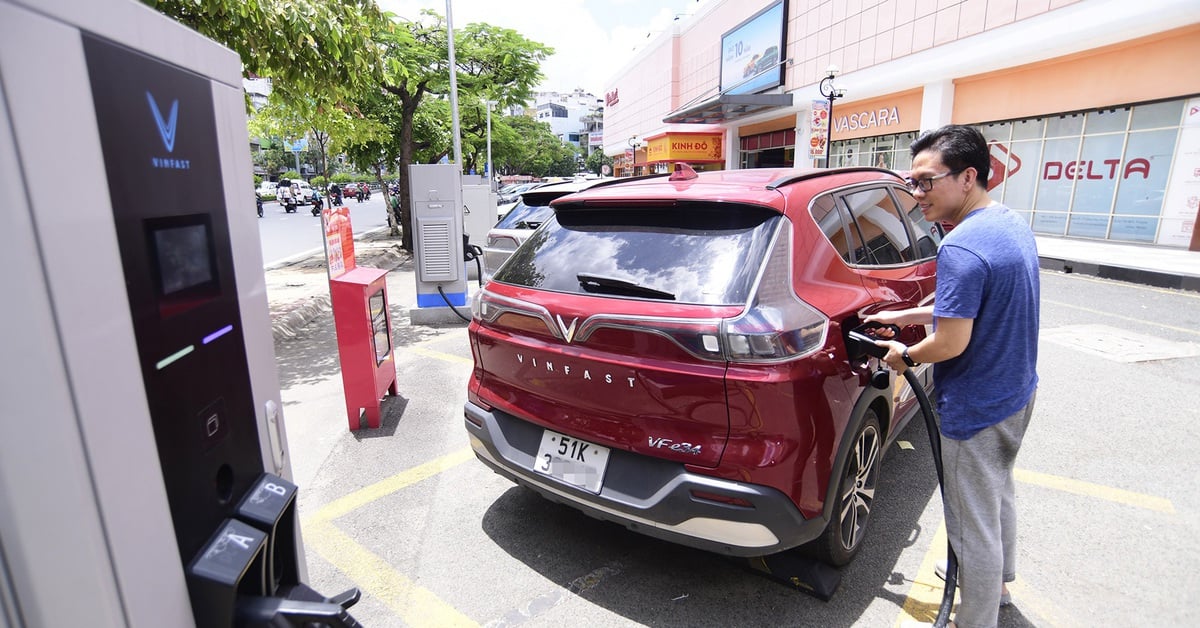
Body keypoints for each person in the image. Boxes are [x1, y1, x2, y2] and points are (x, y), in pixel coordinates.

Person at [867, 125, 1039, 628]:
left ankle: (978, 617)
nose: (917, 194)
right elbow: (967, 307)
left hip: (976, 403)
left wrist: (905, 354)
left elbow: (950, 343)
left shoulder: (960, 248)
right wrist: (904, 318)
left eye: (926, 182)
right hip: (1016, 390)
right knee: (996, 491)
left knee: (971, 524)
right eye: (912, 182)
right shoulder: (1007, 223)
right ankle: (1001, 579)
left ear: (967, 177)